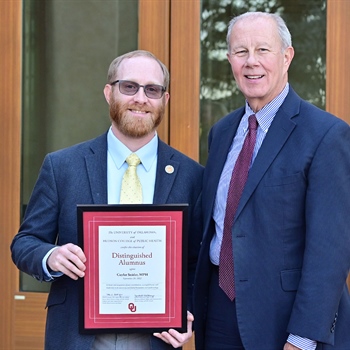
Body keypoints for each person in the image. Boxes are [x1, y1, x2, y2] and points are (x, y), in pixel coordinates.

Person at [11, 50, 203, 350]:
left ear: (164, 101)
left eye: (152, 89)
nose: (140, 98)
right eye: (129, 86)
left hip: (155, 340)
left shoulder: (192, 176)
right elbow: (25, 242)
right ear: (108, 92)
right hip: (78, 337)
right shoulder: (62, 166)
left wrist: (187, 313)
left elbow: (196, 262)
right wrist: (52, 256)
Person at [193, 11, 350, 350]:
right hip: (219, 312)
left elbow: (330, 251)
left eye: (263, 50)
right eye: (240, 52)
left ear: (287, 56)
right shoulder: (221, 133)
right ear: (230, 60)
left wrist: (303, 338)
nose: (252, 62)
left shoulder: (326, 135)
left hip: (284, 320)